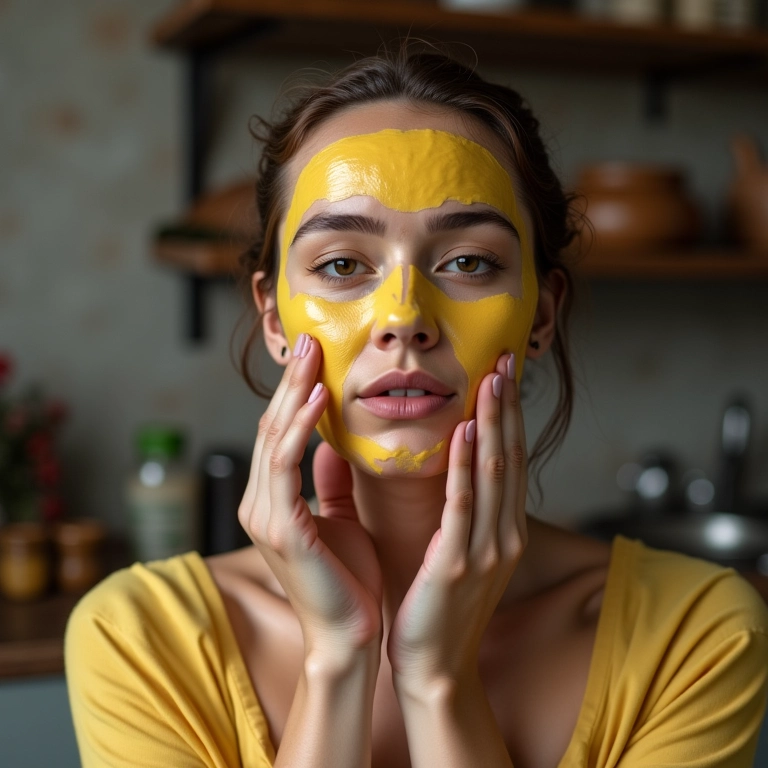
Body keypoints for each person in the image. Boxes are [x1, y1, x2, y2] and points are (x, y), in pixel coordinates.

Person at [65, 48, 768, 768]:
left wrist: (437, 682)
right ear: (274, 320)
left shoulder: (698, 634)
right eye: (342, 265)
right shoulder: (139, 637)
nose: (403, 318)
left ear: (541, 316)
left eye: (467, 261)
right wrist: (339, 659)